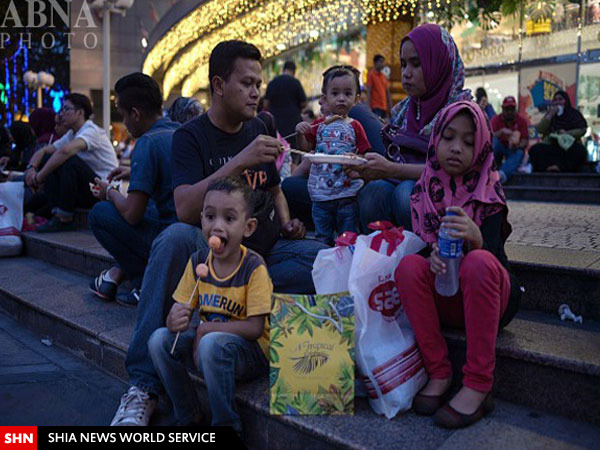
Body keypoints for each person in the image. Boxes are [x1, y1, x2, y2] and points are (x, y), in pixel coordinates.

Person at [110, 40, 326, 427]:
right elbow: (185, 208)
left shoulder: (259, 127)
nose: (256, 92)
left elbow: (274, 188)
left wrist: (288, 220)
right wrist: (240, 161)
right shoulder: (189, 137)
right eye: (246, 83)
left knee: (331, 261)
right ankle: (143, 385)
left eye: (258, 83)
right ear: (219, 84)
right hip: (213, 257)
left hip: (264, 256)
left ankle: (332, 363)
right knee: (175, 237)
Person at [394, 101, 520, 428]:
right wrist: (431, 258)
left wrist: (477, 239)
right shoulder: (425, 191)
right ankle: (438, 371)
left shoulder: (489, 191)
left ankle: (479, 383)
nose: (456, 148)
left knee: (478, 262)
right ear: (436, 139)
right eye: (448, 137)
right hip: (449, 296)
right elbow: (422, 255)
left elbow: (497, 264)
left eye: (468, 141)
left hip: (489, 298)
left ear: (481, 147)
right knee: (408, 266)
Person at [149, 177, 270, 432]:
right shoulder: (198, 262)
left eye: (229, 219)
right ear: (201, 218)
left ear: (248, 227)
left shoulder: (253, 267)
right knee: (159, 340)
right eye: (210, 217)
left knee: (210, 343)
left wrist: (206, 330)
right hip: (205, 348)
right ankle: (188, 415)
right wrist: (174, 319)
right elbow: (179, 310)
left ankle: (227, 424)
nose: (217, 227)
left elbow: (256, 328)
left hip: (249, 353)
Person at [354, 23, 472, 232]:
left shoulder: (460, 112)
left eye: (416, 64)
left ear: (439, 64)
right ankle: (382, 255)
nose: (406, 73)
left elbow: (451, 171)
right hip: (400, 177)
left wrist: (390, 169)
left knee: (406, 194)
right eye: (404, 64)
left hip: (450, 198)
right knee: (373, 193)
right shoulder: (404, 109)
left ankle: (425, 258)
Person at [88, 73, 179, 306]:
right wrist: (135, 174)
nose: (124, 123)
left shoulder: (147, 143)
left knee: (100, 213)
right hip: (187, 231)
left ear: (136, 114)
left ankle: (142, 280)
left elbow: (132, 214)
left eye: (123, 115)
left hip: (166, 238)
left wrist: (109, 191)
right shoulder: (179, 131)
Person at [295, 66, 370, 244]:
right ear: (325, 98)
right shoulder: (318, 125)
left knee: (348, 238)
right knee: (322, 238)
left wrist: (357, 166)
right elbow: (306, 149)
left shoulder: (355, 126)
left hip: (347, 193)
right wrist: (300, 132)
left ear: (356, 99)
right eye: (335, 93)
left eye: (348, 93)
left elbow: (365, 153)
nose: (341, 98)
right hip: (321, 193)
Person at [25, 93, 118, 232]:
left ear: (80, 112)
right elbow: (44, 151)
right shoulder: (71, 134)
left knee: (69, 160)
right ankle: (55, 211)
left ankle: (64, 217)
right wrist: (31, 169)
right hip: (87, 188)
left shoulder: (91, 131)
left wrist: (39, 177)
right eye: (61, 110)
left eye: (66, 109)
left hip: (104, 191)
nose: (61, 114)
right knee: (50, 158)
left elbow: (65, 152)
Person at [529, 90, 588, 173]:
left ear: (566, 101)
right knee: (535, 150)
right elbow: (540, 130)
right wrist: (550, 115)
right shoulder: (550, 115)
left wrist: (567, 133)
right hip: (552, 144)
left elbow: (582, 129)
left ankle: (562, 168)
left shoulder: (574, 114)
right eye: (555, 100)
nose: (558, 102)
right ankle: (549, 167)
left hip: (568, 145)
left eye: (560, 99)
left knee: (579, 151)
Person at [264, 60, 307, 149]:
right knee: (293, 151)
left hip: (276, 123)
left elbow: (265, 104)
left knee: (278, 150)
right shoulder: (295, 83)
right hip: (292, 123)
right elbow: (304, 103)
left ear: (283, 69)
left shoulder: (273, 83)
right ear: (294, 71)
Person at [491, 96, 529, 183]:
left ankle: (501, 175)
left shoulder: (521, 121)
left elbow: (525, 141)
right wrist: (501, 132)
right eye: (507, 109)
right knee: (494, 142)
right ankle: (488, 170)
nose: (509, 112)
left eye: (512, 109)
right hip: (500, 148)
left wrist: (517, 145)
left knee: (520, 152)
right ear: (502, 109)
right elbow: (488, 137)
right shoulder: (496, 119)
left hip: (512, 150)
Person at [366, 54, 392, 120]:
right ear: (375, 62)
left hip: (384, 107)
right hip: (375, 107)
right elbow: (369, 91)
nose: (383, 64)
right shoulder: (371, 75)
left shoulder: (384, 76)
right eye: (381, 62)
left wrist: (390, 106)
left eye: (383, 62)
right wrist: (369, 107)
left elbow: (387, 92)